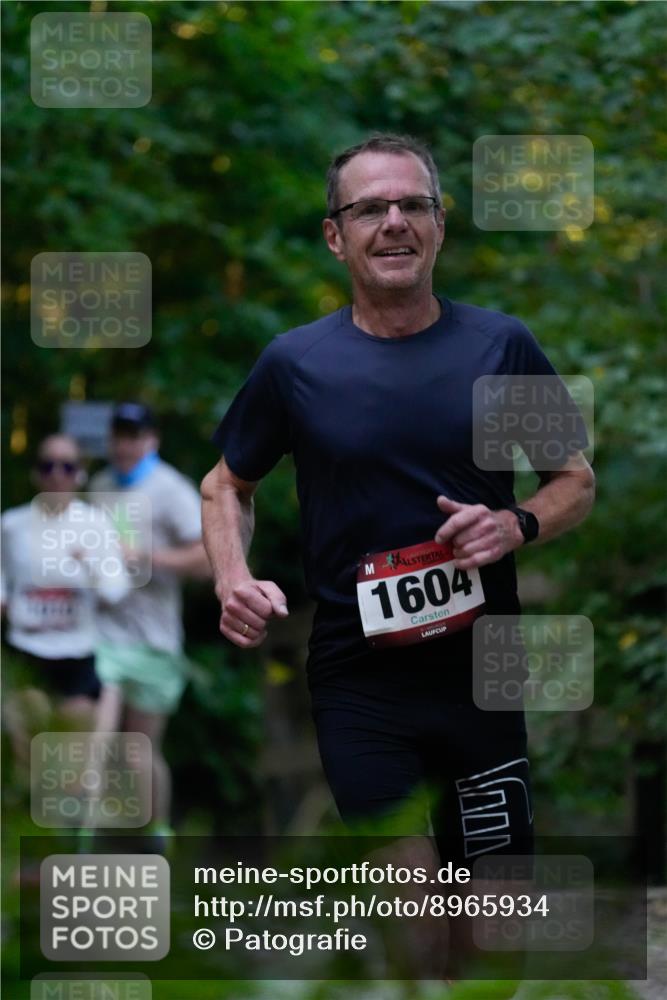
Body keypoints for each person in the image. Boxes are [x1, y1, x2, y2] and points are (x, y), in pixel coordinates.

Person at [200, 134, 595, 973]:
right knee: (408, 925)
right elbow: (225, 485)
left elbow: (573, 481)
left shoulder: (499, 347)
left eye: (412, 204)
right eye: (369, 208)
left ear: (439, 226)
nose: (393, 222)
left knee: (491, 947)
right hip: (359, 676)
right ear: (334, 236)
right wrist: (234, 577)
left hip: (481, 673)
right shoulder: (295, 364)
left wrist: (514, 525)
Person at [89, 402, 211, 838]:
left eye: (133, 435)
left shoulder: (171, 489)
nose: (124, 444)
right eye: (118, 435)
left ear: (151, 439)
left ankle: (156, 834)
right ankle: (80, 838)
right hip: (103, 635)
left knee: (140, 752)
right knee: (95, 741)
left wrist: (144, 557)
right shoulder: (99, 484)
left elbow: (208, 559)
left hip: (155, 639)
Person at [1, 433, 128, 777]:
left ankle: (69, 826)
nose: (57, 474)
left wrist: (90, 566)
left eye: (67, 466)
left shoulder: (96, 524)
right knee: (28, 753)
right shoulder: (11, 525)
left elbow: (117, 589)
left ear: (80, 474)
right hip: (27, 650)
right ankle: (27, 823)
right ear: (35, 473)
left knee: (71, 760)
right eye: (47, 465)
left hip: (78, 654)